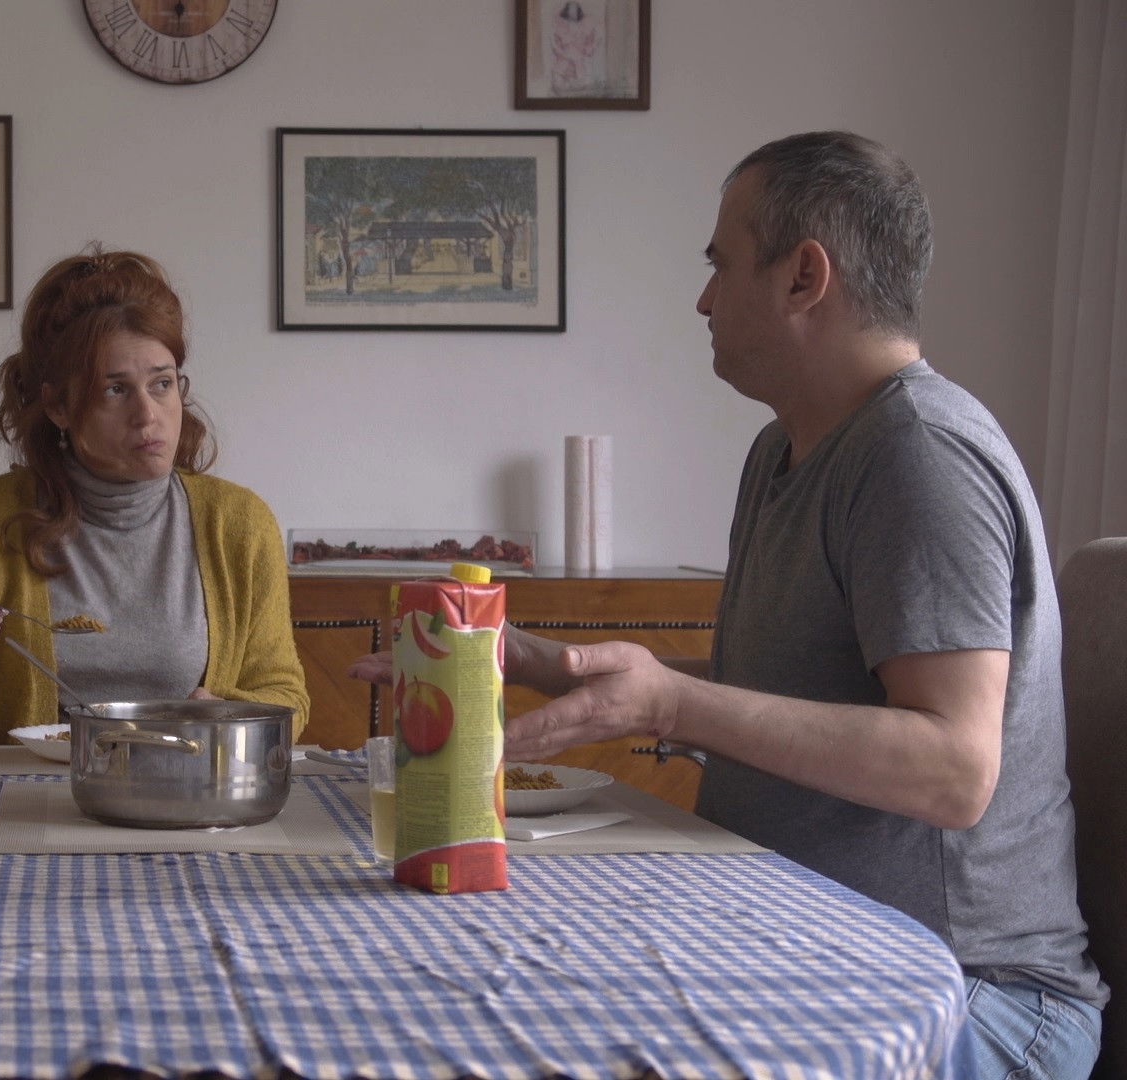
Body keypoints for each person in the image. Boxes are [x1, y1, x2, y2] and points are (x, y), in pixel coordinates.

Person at [350, 131, 1105, 1078]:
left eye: (720, 264)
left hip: (964, 995)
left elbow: (954, 769)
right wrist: (547, 663)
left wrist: (670, 704)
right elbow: (790, 692)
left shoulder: (919, 455)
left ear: (804, 277)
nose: (704, 299)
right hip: (806, 943)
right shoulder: (785, 449)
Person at [0, 247, 308, 747]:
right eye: (115, 390)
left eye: (162, 384)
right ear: (58, 406)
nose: (148, 415)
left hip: (184, 784)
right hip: (26, 790)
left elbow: (284, 694)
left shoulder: (239, 524)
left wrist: (228, 716)